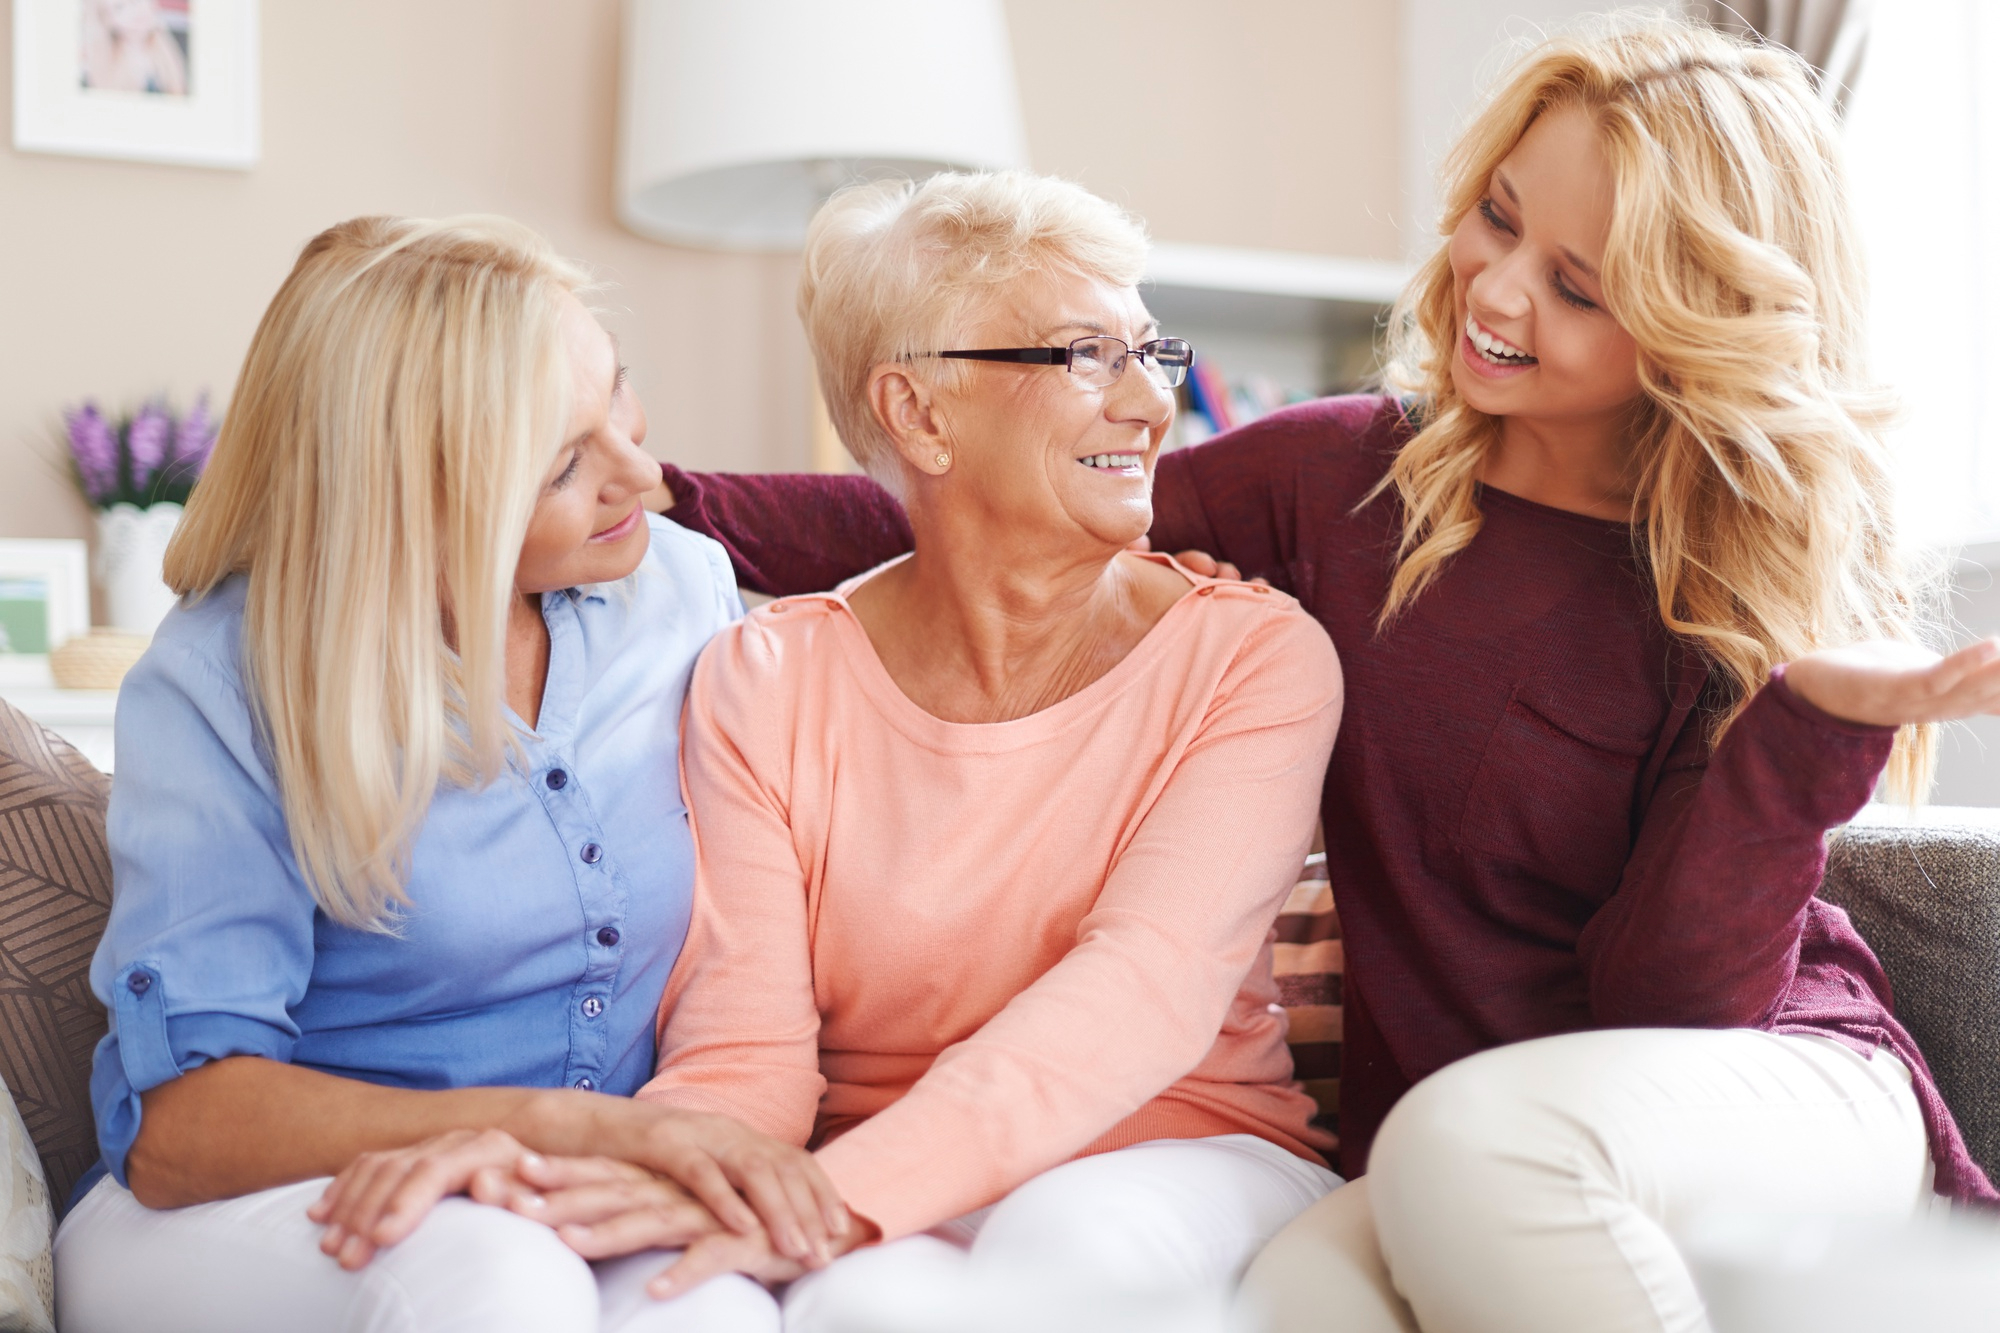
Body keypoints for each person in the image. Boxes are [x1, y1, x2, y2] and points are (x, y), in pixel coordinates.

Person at [622, 17, 2000, 1332]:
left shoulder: (1713, 599)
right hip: (1445, 1151)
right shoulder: (1342, 480)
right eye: (1501, 217)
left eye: (1578, 284)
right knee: (1296, 1300)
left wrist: (1803, 730)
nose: (1500, 288)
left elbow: (1672, 1013)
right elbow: (984, 512)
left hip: (1767, 1085)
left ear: (1694, 322)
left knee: (1469, 1153)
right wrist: (637, 495)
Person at [477, 170, 1345, 1325]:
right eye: (1088, 355)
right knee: (822, 1306)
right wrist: (621, 1196)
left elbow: (1140, 994)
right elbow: (747, 1054)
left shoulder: (1252, 659)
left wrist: (822, 1205)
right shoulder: (763, 678)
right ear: (919, 414)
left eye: (1153, 351)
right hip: (878, 1176)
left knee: (1059, 1242)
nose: (1148, 404)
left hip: (1184, 1150)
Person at [53, 215, 845, 1333]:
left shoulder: (680, 593)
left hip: (563, 1181)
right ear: (407, 499)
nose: (643, 471)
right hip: (230, 1209)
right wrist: (541, 1129)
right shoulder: (221, 682)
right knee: (493, 1281)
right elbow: (184, 1127)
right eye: (563, 464)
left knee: (705, 1300)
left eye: (616, 394)